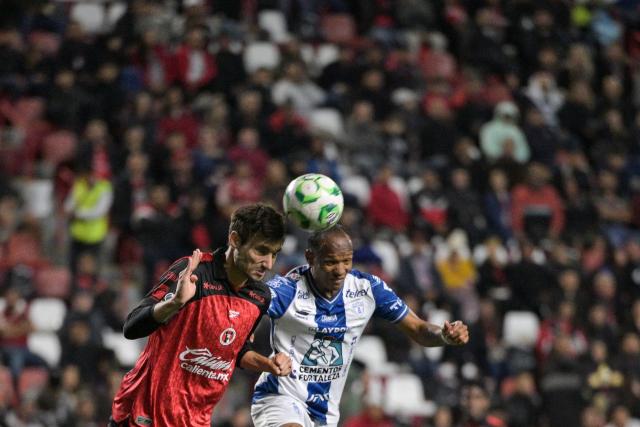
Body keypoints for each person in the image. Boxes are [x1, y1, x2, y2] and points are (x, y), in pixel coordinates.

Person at [250, 224, 469, 427]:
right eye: (330, 262)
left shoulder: (367, 290)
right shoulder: (286, 290)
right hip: (280, 397)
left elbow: (419, 329)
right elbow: (243, 317)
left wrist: (443, 335)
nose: (340, 270)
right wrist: (256, 352)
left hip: (325, 413)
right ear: (310, 257)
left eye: (347, 261)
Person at [110, 203, 293, 426]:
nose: (269, 264)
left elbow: (234, 350)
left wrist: (268, 364)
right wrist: (174, 303)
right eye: (261, 251)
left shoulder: (260, 296)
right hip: (145, 412)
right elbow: (131, 327)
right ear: (235, 240)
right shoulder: (193, 272)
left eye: (274, 254)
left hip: (196, 419)